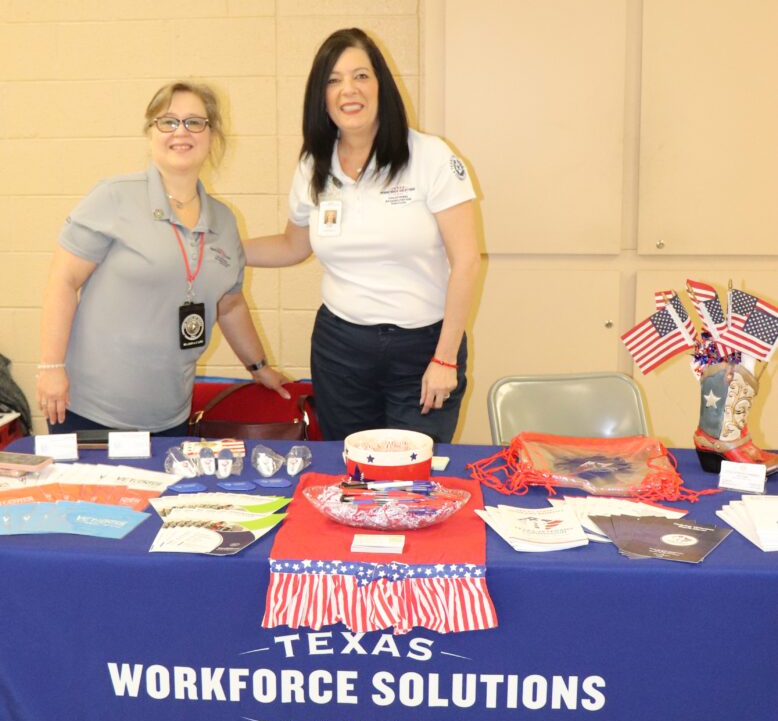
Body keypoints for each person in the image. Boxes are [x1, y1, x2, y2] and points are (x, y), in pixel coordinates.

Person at [244, 28, 480, 442]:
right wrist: (214, 248)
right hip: (341, 350)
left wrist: (445, 358)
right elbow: (292, 246)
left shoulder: (430, 156)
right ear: (321, 96)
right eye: (333, 80)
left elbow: (467, 261)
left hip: (423, 348)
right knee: (349, 465)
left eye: (360, 76)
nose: (348, 90)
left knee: (412, 467)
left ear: (380, 85)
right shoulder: (313, 165)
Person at [37, 81, 288, 435]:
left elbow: (230, 305)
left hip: (169, 416)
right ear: (150, 132)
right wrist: (51, 367)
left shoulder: (224, 221)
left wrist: (259, 367)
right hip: (90, 409)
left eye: (194, 122)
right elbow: (63, 281)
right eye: (168, 121)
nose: (181, 132)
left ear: (211, 135)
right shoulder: (114, 197)